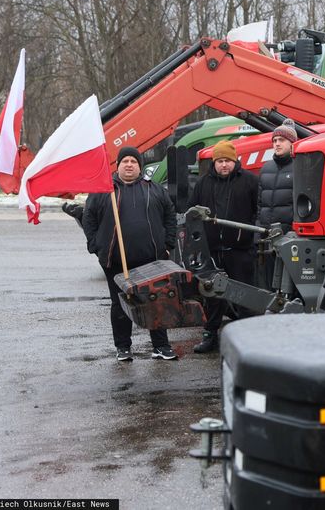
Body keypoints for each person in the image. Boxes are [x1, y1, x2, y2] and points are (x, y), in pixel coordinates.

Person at [83, 146, 178, 361]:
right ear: (118, 166)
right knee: (120, 304)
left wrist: (168, 244)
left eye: (133, 161)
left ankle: (161, 346)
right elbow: (89, 217)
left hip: (151, 260)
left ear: (139, 166)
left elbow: (169, 216)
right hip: (116, 261)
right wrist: (96, 246)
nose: (129, 165)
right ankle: (123, 347)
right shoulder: (104, 191)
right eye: (124, 161)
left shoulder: (154, 189)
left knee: (155, 301)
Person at [188, 140, 259, 353]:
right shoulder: (203, 183)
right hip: (212, 250)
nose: (224, 165)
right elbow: (192, 211)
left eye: (227, 160)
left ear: (234, 160)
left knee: (244, 294)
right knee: (212, 296)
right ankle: (210, 336)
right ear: (214, 162)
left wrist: (251, 237)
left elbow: (259, 210)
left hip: (240, 249)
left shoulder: (249, 181)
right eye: (220, 161)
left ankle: (248, 338)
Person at [257, 118, 297, 289]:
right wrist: (259, 230)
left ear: (292, 143)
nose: (277, 144)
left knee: (289, 283)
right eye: (274, 140)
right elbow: (260, 203)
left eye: (282, 140)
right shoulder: (266, 168)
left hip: (289, 235)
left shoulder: (299, 167)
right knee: (269, 283)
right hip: (267, 235)